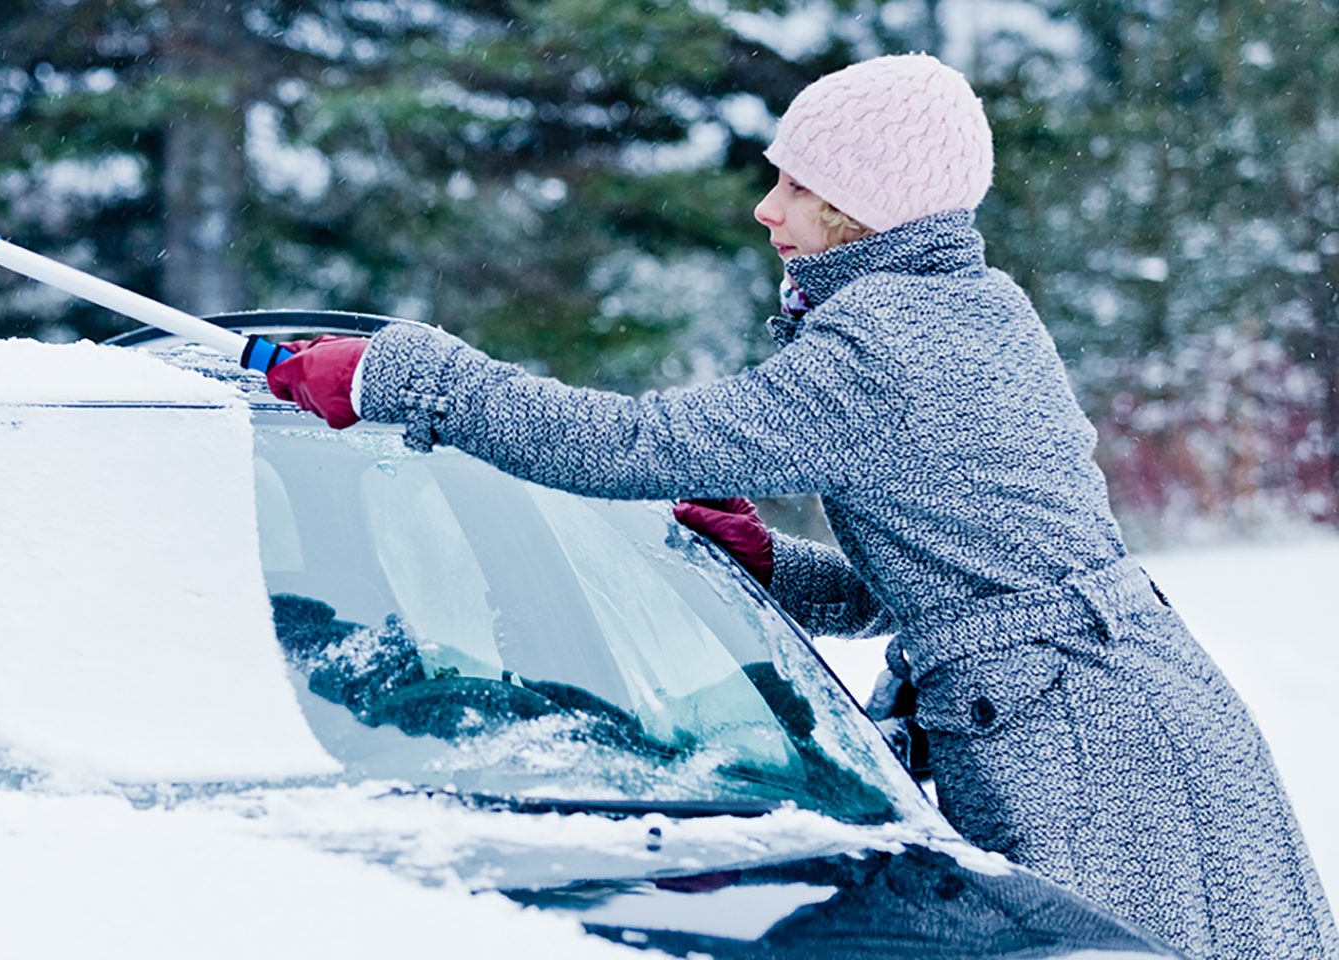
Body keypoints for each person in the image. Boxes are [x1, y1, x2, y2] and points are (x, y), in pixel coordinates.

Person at [265, 53, 1337, 959]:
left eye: (798, 185)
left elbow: (636, 445)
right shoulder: (973, 308)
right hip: (1121, 707)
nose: (767, 208)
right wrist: (777, 569)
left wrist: (410, 377)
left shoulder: (885, 345)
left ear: (869, 205)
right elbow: (950, 584)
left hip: (1085, 748)